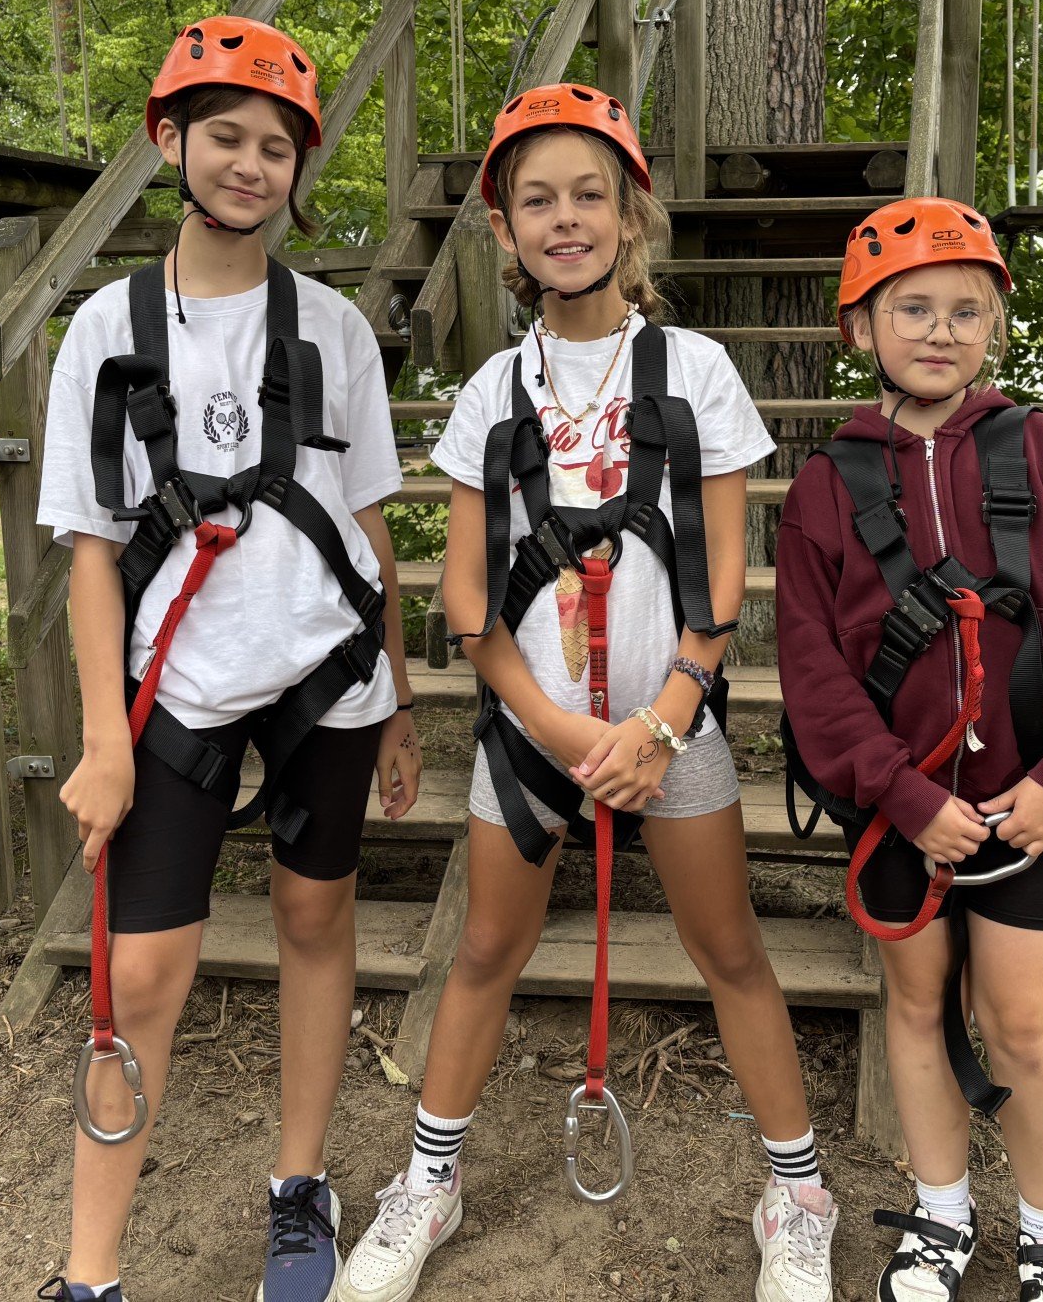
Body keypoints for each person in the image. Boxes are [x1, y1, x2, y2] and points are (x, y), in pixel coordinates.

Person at [337, 83, 837, 1302]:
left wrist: (660, 725)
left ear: (629, 215)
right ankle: (429, 1182)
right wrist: (561, 729)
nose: (564, 219)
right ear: (503, 230)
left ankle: (797, 1194)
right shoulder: (491, 394)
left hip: (671, 723)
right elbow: (467, 599)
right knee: (484, 949)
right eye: (537, 201)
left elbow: (721, 586)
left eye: (587, 196)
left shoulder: (695, 372)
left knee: (728, 947)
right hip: (534, 726)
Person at [34, 15, 421, 1302]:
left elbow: (367, 526)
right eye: (225, 137)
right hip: (173, 686)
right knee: (141, 970)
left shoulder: (333, 331)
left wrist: (400, 703)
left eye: (276, 148)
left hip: (326, 675)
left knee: (314, 917)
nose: (250, 166)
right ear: (170, 141)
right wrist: (104, 740)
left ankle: (299, 1188)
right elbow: (92, 551)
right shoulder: (107, 332)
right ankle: (91, 1273)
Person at [775, 197, 1043, 1302]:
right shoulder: (827, 487)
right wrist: (897, 796)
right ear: (859, 328)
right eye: (912, 309)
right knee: (916, 1006)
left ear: (992, 327)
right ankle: (940, 1214)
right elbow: (813, 671)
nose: (939, 331)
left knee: (1023, 1021)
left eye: (965, 311)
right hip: (899, 807)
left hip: (1031, 801)